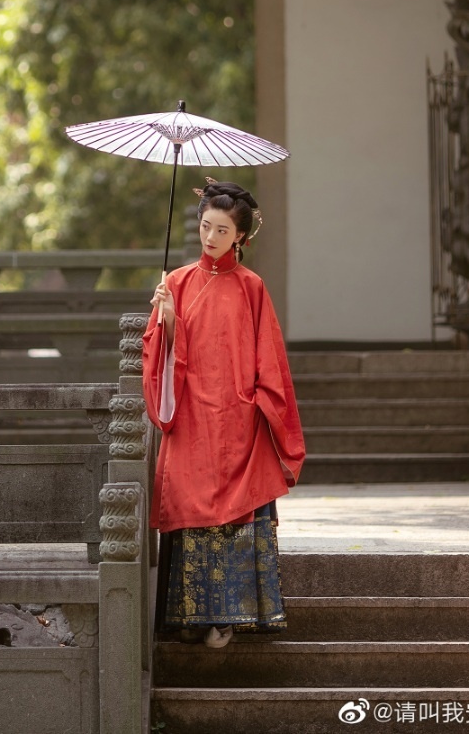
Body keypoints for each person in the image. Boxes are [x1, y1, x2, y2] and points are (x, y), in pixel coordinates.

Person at [142, 179, 305, 649]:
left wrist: (257, 406)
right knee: (192, 508)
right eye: (205, 226)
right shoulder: (175, 283)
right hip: (192, 417)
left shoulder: (252, 287)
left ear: (240, 237)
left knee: (235, 511)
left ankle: (231, 617)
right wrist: (168, 320)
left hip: (237, 418)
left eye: (221, 229)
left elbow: (270, 360)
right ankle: (190, 617)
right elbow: (161, 359)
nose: (209, 236)